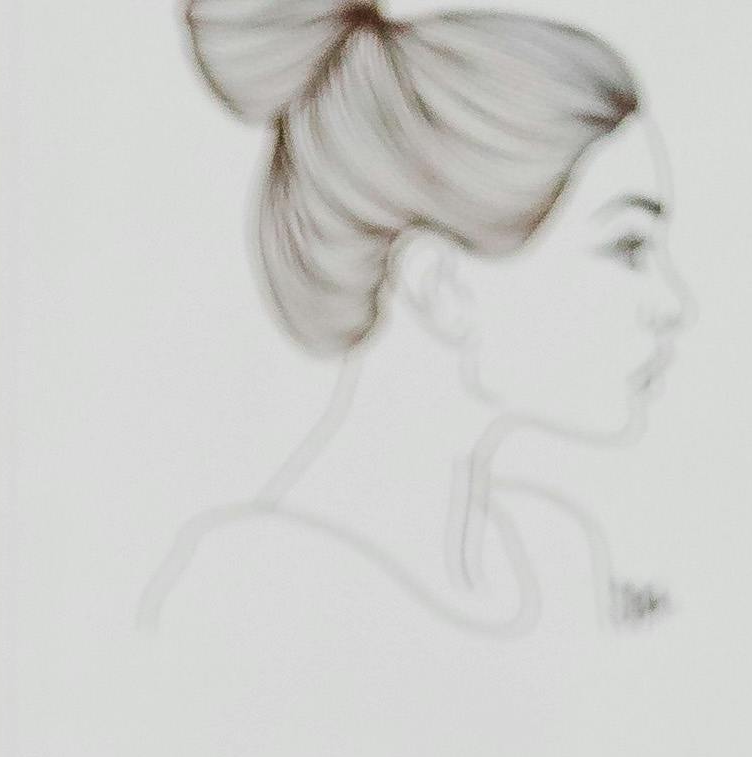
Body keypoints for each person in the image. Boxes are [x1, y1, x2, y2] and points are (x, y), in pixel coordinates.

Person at [146, 3, 690, 644]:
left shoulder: (556, 554)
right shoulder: (249, 597)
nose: (674, 303)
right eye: (628, 247)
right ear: (442, 287)